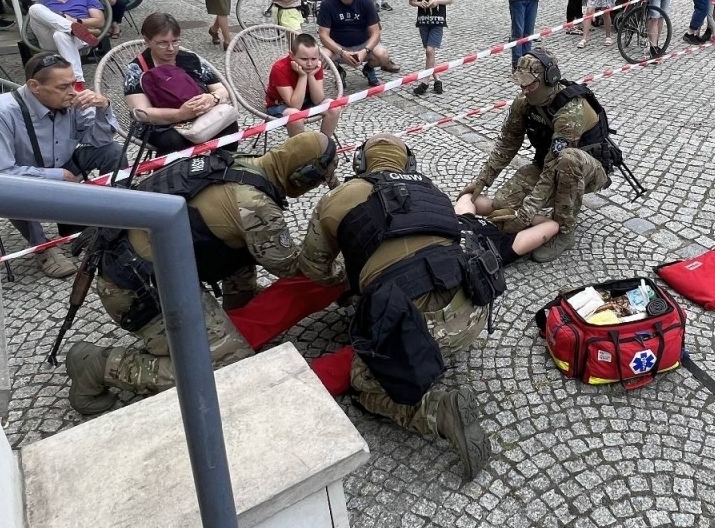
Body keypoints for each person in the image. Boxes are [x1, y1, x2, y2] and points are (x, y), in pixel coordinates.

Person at [64, 134, 338, 415]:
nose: (317, 186)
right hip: (139, 289)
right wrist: (336, 261)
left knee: (240, 249)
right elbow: (291, 266)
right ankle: (99, 365)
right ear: (302, 175)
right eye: (318, 180)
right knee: (226, 363)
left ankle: (232, 316)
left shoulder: (241, 163)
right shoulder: (256, 204)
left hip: (143, 265)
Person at [299, 136, 496, 481]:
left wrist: (354, 280)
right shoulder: (432, 190)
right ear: (409, 165)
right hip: (475, 311)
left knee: (362, 383)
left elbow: (314, 269)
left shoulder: (335, 199)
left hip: (417, 329)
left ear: (360, 164)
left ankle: (439, 412)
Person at [0, 53, 125, 277]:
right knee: (13, 188)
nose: (73, 92)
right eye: (63, 86)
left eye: (73, 83)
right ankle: (42, 247)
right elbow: (2, 173)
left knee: (112, 152)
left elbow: (100, 140)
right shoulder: (2, 112)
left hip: (59, 164)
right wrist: (57, 176)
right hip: (8, 181)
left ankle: (114, 222)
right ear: (35, 86)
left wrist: (103, 108)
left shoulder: (68, 100)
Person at [461, 49, 613, 264]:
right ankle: (544, 220)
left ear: (549, 80)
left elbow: (554, 167)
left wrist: (525, 214)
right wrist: (482, 180)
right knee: (503, 202)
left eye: (529, 85)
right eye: (521, 85)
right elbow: (507, 143)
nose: (524, 90)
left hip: (587, 169)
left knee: (568, 159)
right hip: (548, 163)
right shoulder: (523, 103)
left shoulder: (570, 111)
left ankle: (565, 231)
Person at [123, 12, 234, 152]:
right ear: (147, 41)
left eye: (175, 41)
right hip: (159, 124)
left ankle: (224, 164)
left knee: (229, 125)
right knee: (173, 141)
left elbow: (222, 90)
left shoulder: (190, 59)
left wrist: (213, 98)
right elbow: (141, 112)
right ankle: (180, 167)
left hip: (200, 115)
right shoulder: (137, 69)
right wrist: (180, 114)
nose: (171, 48)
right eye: (163, 43)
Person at [316, 0, 397, 86]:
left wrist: (365, 51)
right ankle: (338, 70)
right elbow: (323, 35)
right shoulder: (327, 4)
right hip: (337, 47)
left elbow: (376, 32)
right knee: (319, 58)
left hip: (363, 45)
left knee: (383, 55)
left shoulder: (366, 2)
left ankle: (368, 69)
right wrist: (342, 52)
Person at [29, 0, 108, 73]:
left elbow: (100, 22)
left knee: (60, 35)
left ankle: (77, 79)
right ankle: (70, 29)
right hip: (50, 40)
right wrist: (68, 22)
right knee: (34, 8)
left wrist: (76, 21)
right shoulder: (44, 0)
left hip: (80, 41)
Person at [265, 31, 342, 138]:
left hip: (306, 101)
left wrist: (311, 75)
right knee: (295, 116)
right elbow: (295, 105)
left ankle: (324, 143)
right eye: (304, 59)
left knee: (334, 107)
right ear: (292, 56)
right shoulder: (280, 69)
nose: (309, 64)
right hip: (280, 105)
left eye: (314, 59)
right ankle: (303, 147)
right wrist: (303, 76)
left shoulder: (315, 66)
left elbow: (318, 100)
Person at [454, 191, 560, 264]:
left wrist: (513, 213)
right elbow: (552, 225)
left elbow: (468, 197)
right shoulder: (505, 245)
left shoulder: (504, 245)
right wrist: (515, 214)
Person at [408, 0, 452, 96]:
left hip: (438, 21)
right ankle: (437, 79)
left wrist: (437, 1)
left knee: (429, 50)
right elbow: (411, 1)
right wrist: (419, 3)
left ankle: (425, 81)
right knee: (429, 53)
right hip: (423, 21)